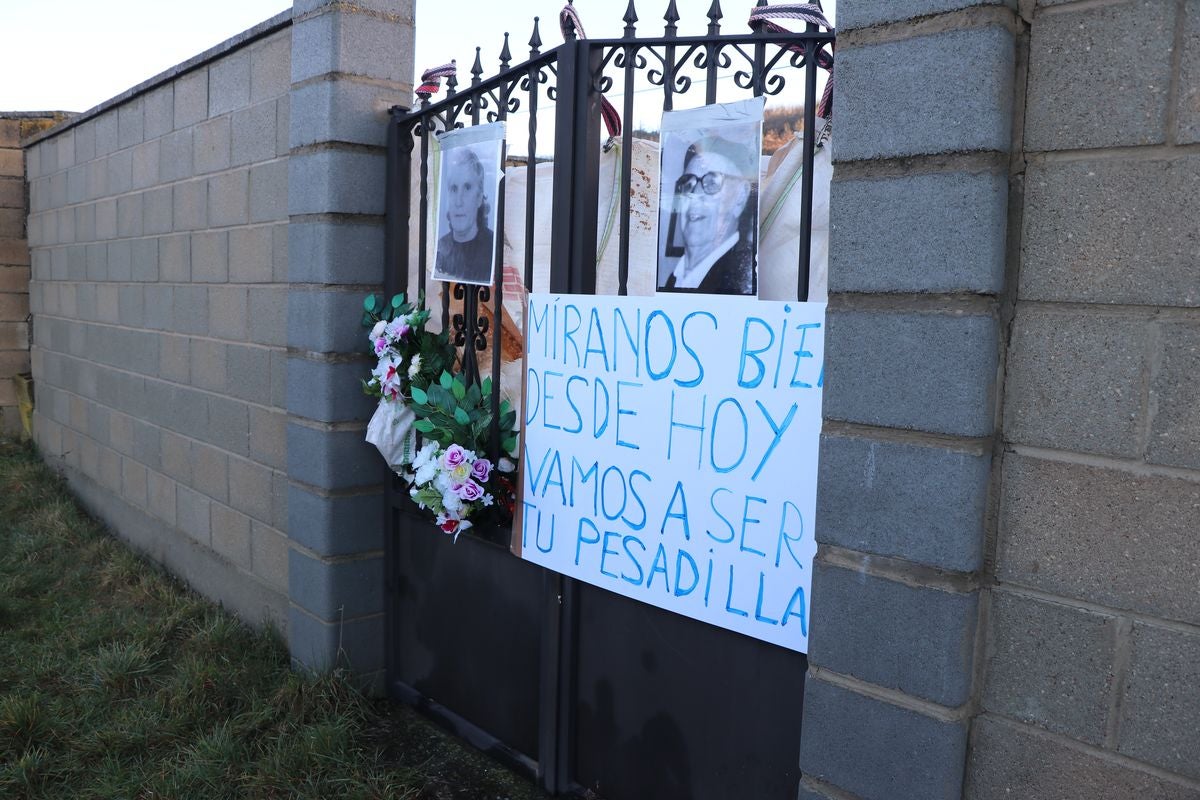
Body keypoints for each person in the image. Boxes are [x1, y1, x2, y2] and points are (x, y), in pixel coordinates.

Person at [660, 134, 758, 295]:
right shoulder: (675, 278)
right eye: (688, 183)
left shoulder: (740, 280)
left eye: (712, 182)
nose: (695, 194)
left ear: (741, 196)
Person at [434, 146, 495, 285]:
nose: (458, 201)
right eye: (454, 189)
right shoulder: (439, 248)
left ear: (479, 197)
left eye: (467, 188)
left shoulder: (493, 247)